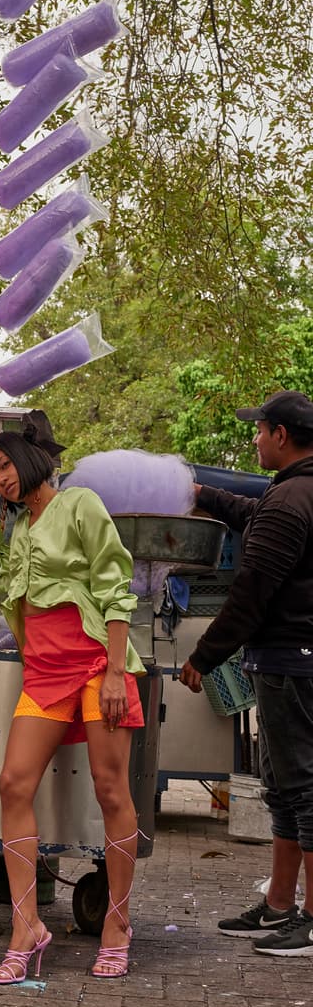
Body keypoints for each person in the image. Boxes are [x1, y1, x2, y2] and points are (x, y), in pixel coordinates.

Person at [0, 413, 145, 981]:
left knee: (110, 789)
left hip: (99, 662)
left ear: (26, 459)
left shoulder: (80, 504)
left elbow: (114, 585)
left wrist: (118, 672)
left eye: (3, 465)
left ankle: (118, 924)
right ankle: (27, 925)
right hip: (45, 671)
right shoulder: (19, 526)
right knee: (13, 783)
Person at [179, 390, 313, 958]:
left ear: (280, 434)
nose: (255, 438)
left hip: (292, 664)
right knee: (282, 791)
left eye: (259, 430)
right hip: (283, 663)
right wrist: (200, 494)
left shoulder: (291, 501)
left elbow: (250, 595)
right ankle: (280, 904)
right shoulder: (291, 493)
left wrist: (201, 657)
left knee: (304, 792)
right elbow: (248, 512)